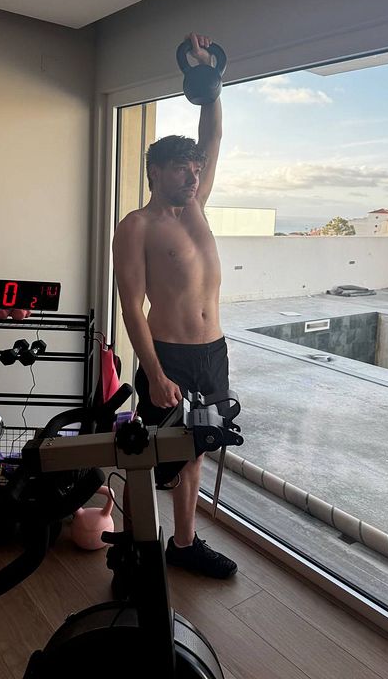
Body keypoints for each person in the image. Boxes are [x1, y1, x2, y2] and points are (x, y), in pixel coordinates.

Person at [110, 32, 237, 593]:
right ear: (156, 171)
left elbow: (214, 132)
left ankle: (182, 545)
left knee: (196, 452)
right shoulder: (136, 226)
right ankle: (133, 557)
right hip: (170, 357)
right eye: (183, 167)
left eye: (196, 166)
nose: (194, 172)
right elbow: (131, 306)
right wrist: (156, 374)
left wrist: (207, 78)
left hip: (212, 353)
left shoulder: (198, 206)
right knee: (150, 459)